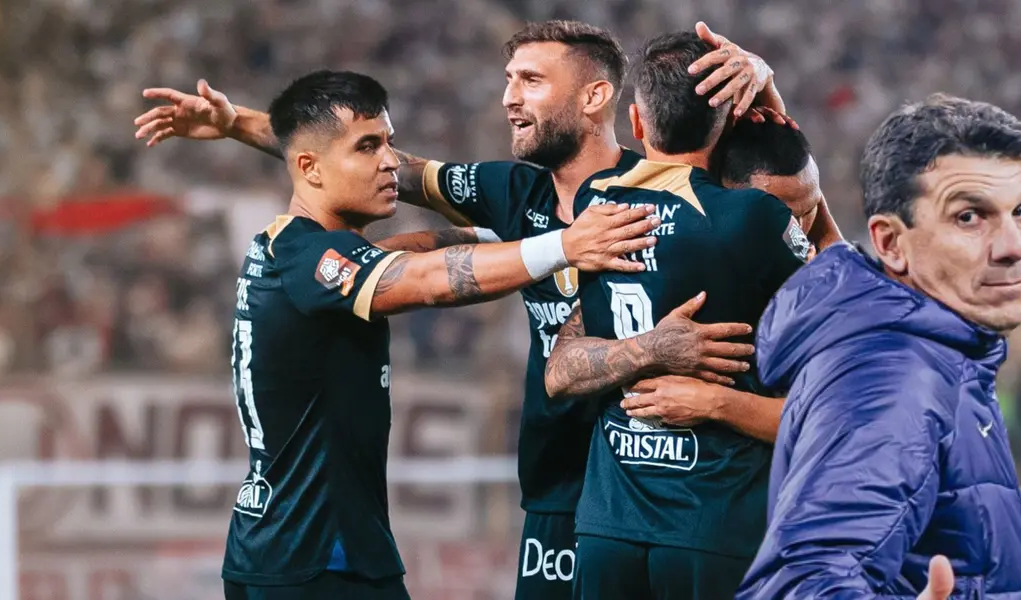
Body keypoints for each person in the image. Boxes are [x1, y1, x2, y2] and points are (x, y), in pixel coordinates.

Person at [133, 20, 785, 600]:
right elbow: (376, 167)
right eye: (508, 79)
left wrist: (763, 86)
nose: (508, 97)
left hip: (660, 495)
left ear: (594, 97)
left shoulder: (675, 200)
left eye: (530, 80)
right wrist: (238, 125)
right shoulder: (513, 191)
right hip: (556, 495)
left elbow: (784, 197)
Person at [219, 70, 661, 600]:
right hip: (316, 560)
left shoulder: (293, 251)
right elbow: (427, 281)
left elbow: (412, 252)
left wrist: (528, 230)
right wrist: (564, 246)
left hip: (282, 549)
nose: (390, 162)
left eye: (388, 142)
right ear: (309, 168)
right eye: (367, 147)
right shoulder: (305, 254)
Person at [541, 32, 830, 600]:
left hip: (608, 524)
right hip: (712, 522)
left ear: (637, 123)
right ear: (726, 128)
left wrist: (646, 350)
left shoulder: (596, 204)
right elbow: (846, 287)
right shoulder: (753, 218)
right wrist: (767, 102)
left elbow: (561, 366)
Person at [736, 94, 1021, 600]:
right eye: (969, 217)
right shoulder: (896, 376)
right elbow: (805, 583)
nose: (1013, 245)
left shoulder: (943, 354)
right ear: (890, 244)